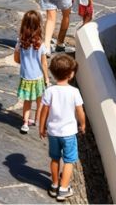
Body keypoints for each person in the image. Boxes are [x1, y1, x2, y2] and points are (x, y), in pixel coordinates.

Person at [38, 53, 86, 202]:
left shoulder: (50, 91)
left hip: (53, 132)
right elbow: (80, 111)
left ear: (52, 72)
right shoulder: (74, 92)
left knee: (54, 158)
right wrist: (83, 124)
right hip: (69, 133)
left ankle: (54, 185)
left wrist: (42, 127)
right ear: (71, 74)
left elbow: (44, 111)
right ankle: (64, 189)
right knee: (69, 160)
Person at [14, 10, 49, 134]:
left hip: (26, 77)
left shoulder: (20, 42)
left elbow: (16, 59)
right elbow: (44, 64)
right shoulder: (41, 44)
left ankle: (25, 123)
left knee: (27, 101)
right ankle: (36, 120)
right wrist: (47, 78)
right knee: (39, 100)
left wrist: (24, 61)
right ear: (38, 25)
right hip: (38, 77)